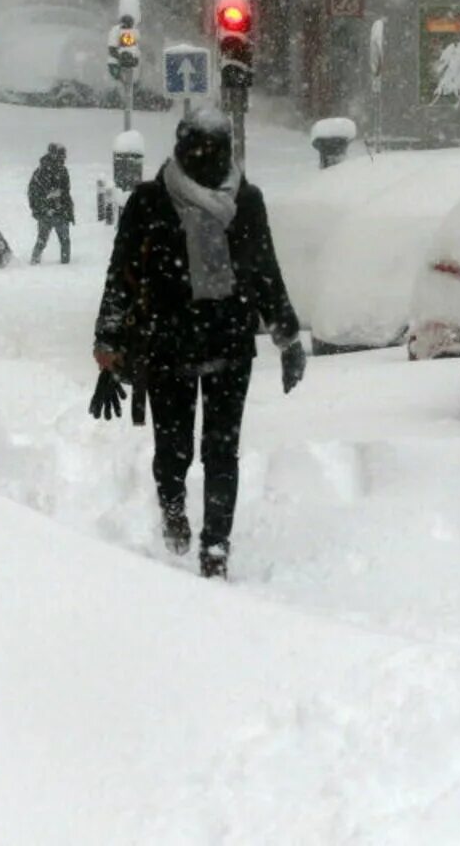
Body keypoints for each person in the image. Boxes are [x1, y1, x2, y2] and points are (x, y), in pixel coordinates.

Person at [93, 109, 306, 579]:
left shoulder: (247, 202)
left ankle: (215, 548)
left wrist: (286, 336)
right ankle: (174, 513)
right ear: (181, 147)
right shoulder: (149, 201)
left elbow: (265, 270)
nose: (206, 157)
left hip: (230, 346)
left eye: (215, 148)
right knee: (174, 449)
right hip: (168, 347)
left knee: (220, 452)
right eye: (198, 148)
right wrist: (108, 338)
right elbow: (121, 274)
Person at [28, 143, 74, 265]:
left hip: (52, 212)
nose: (63, 159)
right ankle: (64, 265)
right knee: (61, 241)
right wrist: (50, 202)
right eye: (62, 156)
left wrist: (41, 208)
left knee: (44, 240)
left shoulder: (42, 171)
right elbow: (34, 193)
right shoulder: (44, 172)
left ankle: (35, 261)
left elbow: (33, 194)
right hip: (54, 212)